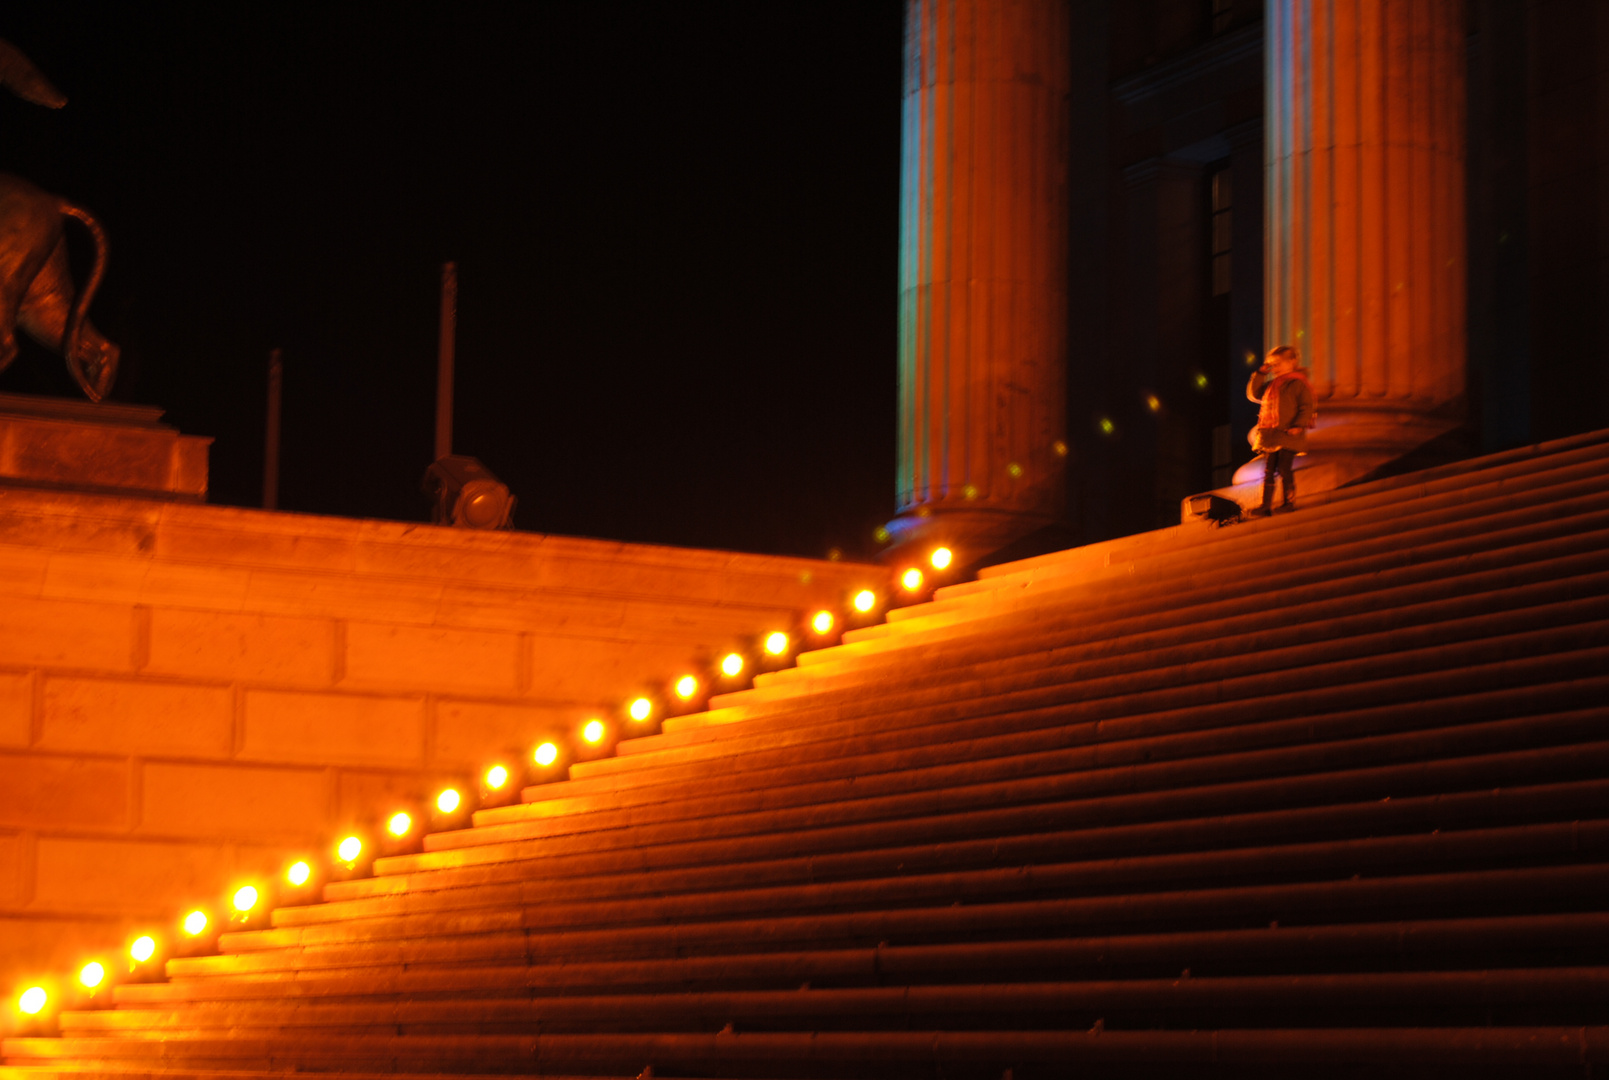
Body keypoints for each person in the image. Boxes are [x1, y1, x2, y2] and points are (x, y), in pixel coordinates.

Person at [1246, 344, 1315, 516]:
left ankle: (1288, 502)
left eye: (1278, 364)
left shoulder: (1298, 384)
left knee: (1285, 469)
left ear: (1292, 362)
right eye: (1272, 365)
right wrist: (1261, 373)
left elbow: (1306, 406)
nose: (1274, 368)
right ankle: (1266, 505)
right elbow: (1254, 394)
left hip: (1288, 434)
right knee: (1268, 471)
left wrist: (1299, 425)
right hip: (1272, 435)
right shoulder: (1271, 385)